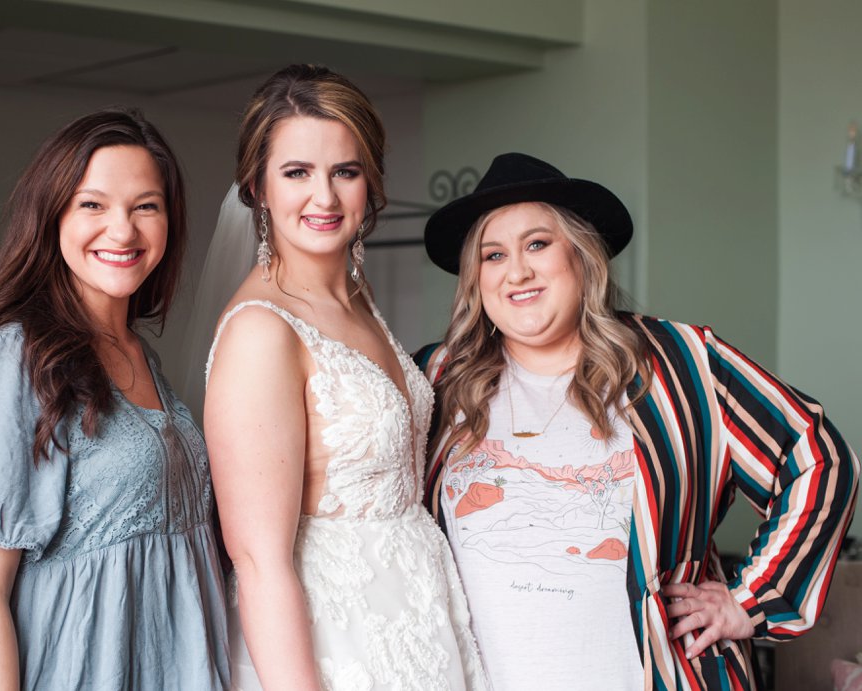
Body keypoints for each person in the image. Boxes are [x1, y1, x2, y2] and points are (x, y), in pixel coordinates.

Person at [417, 152, 859, 690]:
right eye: (493, 255)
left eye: (537, 244)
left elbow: (817, 456)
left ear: (582, 255)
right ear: (475, 277)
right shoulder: (438, 376)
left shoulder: (683, 362)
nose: (517, 272)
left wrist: (752, 599)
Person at [203, 64, 486, 690]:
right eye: (297, 172)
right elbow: (257, 559)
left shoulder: (355, 301)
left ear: (372, 183)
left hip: (417, 614)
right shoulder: (261, 330)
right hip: (331, 636)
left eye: (345, 172)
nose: (324, 198)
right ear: (258, 187)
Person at [0, 108, 229, 690]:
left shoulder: (144, 357)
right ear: (52, 218)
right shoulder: (17, 358)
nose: (122, 231)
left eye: (146, 206)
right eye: (92, 205)